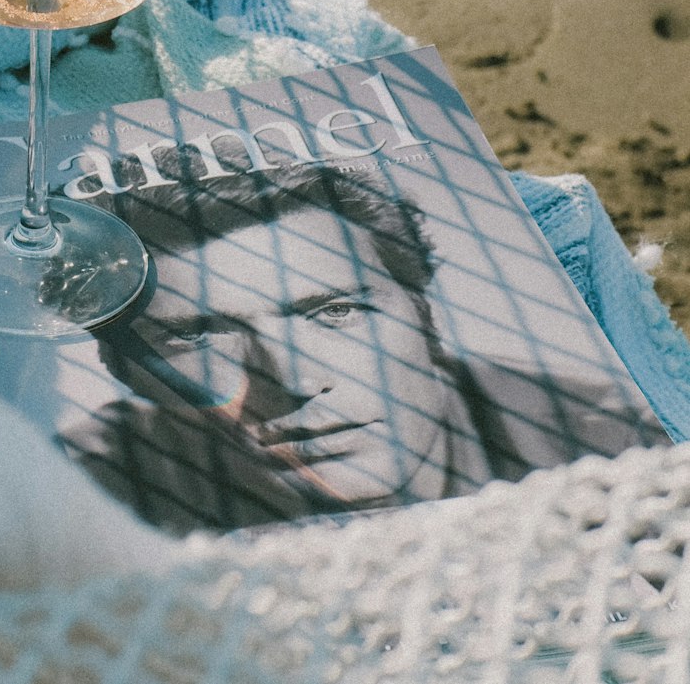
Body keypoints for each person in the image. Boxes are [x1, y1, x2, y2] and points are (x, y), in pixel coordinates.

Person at [59, 157, 665, 535]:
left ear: (423, 317)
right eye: (194, 336)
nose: (293, 381)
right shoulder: (73, 496)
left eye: (336, 311)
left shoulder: (626, 449)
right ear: (124, 369)